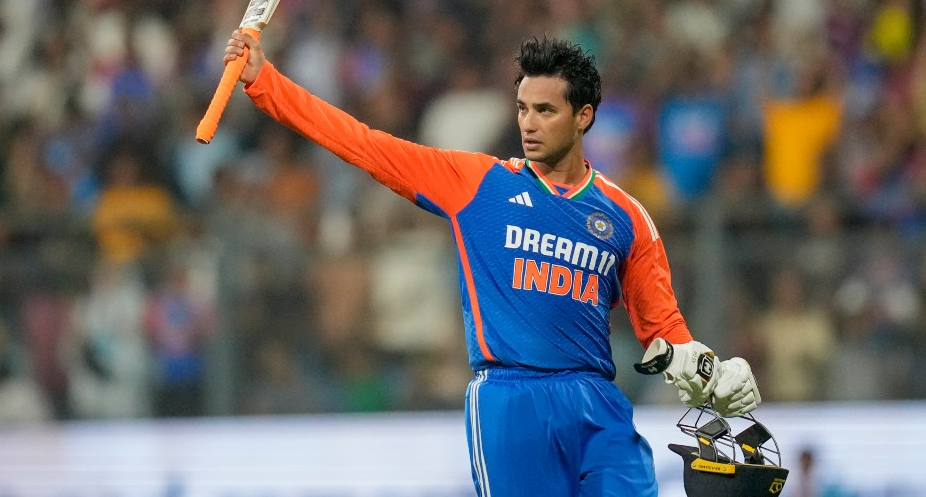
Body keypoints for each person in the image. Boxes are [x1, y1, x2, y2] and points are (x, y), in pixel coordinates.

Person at [221, 32, 761, 496]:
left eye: (545, 110)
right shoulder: (477, 184)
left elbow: (663, 331)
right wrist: (265, 80)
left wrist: (707, 371)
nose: (528, 124)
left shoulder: (627, 217)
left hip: (598, 403)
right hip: (509, 399)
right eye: (522, 108)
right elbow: (364, 144)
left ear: (584, 116)